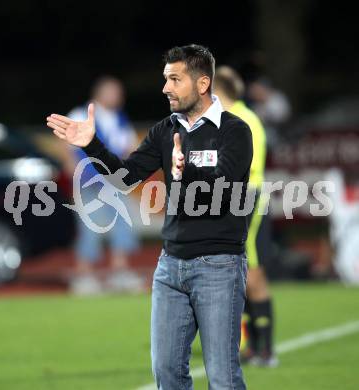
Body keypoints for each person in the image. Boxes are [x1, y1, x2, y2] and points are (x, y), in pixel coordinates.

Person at [47, 44, 252, 389]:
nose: (165, 88)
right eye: (165, 79)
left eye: (175, 79)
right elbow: (122, 179)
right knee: (167, 374)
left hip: (219, 265)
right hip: (170, 266)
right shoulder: (164, 130)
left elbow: (222, 189)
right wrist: (92, 145)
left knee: (223, 377)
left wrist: (182, 171)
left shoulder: (235, 131)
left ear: (202, 84)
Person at [214, 65, 277, 366]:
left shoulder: (244, 119)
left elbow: (242, 166)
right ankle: (254, 346)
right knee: (242, 275)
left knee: (252, 274)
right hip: (236, 199)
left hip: (247, 199)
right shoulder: (230, 118)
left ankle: (265, 349)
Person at [65, 76, 142, 294]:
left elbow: (130, 145)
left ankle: (119, 272)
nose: (118, 96)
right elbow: (64, 143)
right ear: (100, 93)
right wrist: (71, 167)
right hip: (89, 180)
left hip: (114, 181)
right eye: (114, 92)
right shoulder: (82, 113)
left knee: (122, 224)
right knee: (90, 226)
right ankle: (83, 275)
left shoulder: (119, 118)